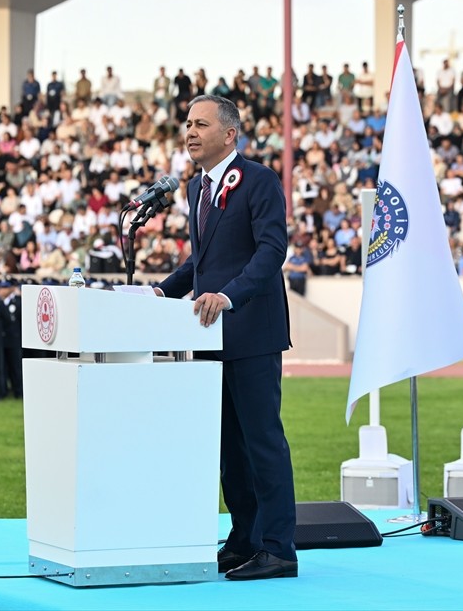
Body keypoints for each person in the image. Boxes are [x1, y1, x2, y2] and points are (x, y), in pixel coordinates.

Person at [155, 94, 297, 581]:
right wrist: (163, 290)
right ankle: (244, 540)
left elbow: (270, 251)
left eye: (201, 124)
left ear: (230, 134)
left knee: (262, 443)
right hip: (212, 337)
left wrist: (229, 295)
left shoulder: (259, 180)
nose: (190, 131)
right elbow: (203, 260)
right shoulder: (196, 188)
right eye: (187, 123)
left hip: (252, 332)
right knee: (228, 449)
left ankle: (279, 548)